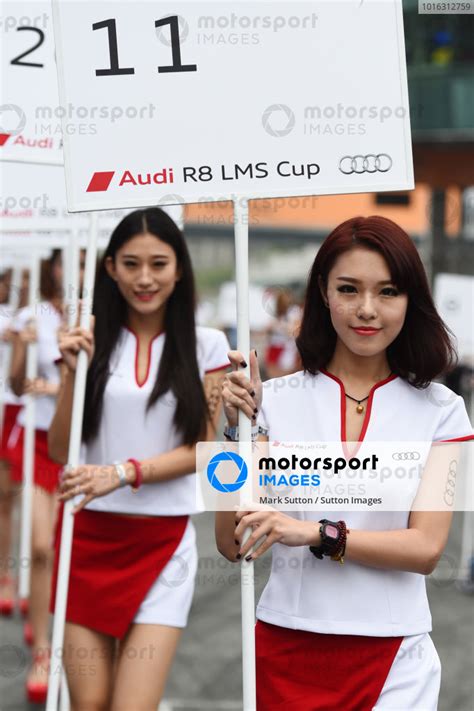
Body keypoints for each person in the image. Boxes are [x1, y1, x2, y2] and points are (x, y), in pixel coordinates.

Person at [217, 216, 474, 710]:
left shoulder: (442, 410)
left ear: (411, 300)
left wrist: (316, 532)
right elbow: (233, 543)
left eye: (388, 291)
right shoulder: (269, 400)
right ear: (323, 292)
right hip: (287, 648)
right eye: (349, 289)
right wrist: (234, 431)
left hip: (396, 656)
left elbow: (426, 549)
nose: (367, 310)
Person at [49, 208, 229, 711]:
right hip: (87, 537)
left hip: (163, 543)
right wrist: (69, 373)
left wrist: (123, 472)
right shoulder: (88, 340)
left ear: (179, 268)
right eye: (130, 264)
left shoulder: (208, 344)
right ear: (109, 269)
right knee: (89, 704)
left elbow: (204, 449)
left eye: (158, 263)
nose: (144, 278)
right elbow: (60, 450)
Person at [8, 250, 66, 703]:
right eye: (68, 262)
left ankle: (73, 641)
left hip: (86, 447)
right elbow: (15, 383)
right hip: (38, 439)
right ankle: (43, 649)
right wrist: (25, 346)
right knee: (42, 546)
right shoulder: (36, 314)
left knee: (74, 552)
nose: (74, 271)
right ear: (54, 266)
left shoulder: (106, 314)